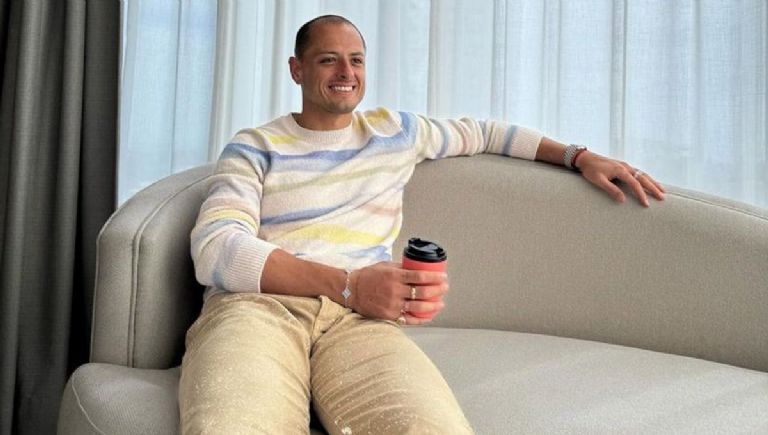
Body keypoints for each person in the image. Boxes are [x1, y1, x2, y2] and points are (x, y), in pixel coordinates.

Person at [178, 14, 665, 435]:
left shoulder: (395, 132)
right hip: (259, 309)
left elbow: (487, 133)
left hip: (358, 324)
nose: (346, 72)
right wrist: (349, 285)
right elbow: (216, 248)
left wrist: (579, 156)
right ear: (297, 69)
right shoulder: (255, 146)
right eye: (329, 60)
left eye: (356, 60)